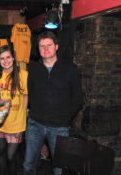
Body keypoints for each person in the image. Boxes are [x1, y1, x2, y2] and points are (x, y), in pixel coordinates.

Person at [23, 31, 83, 175]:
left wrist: (65, 117)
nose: (45, 49)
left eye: (49, 45)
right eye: (41, 46)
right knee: (28, 164)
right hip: (35, 124)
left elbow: (78, 97)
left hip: (59, 127)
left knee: (59, 168)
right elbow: (30, 94)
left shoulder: (70, 69)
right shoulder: (34, 69)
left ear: (56, 46)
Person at [0, 45, 28, 175]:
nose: (5, 61)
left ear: (13, 58)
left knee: (10, 157)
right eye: (2, 58)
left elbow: (25, 96)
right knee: (1, 154)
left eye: (8, 57)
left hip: (16, 124)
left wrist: (23, 119)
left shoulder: (23, 75)